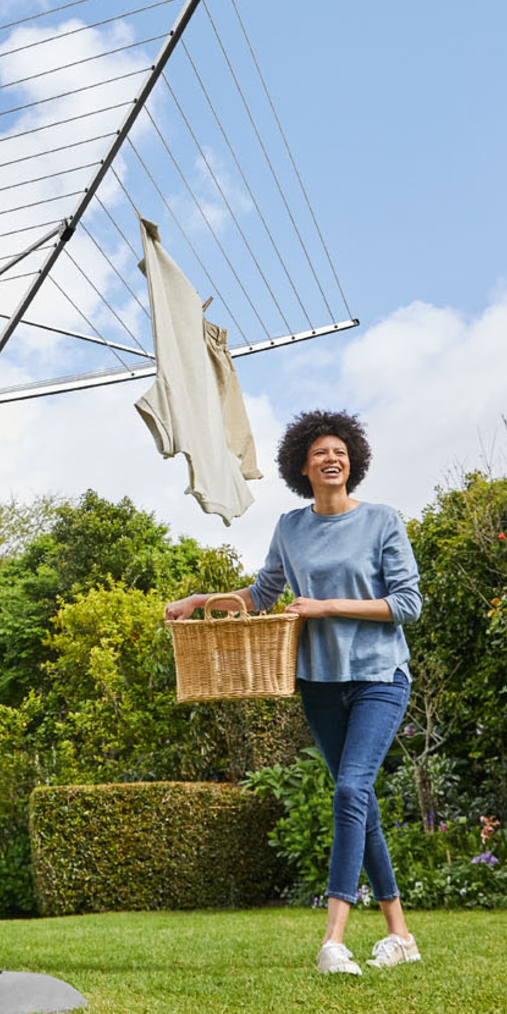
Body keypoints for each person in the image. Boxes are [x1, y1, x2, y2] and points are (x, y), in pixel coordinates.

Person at [165, 409, 422, 975]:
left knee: (351, 789)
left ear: (353, 461)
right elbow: (262, 594)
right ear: (302, 467)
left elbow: (407, 605)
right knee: (360, 800)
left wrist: (327, 605)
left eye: (341, 452)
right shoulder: (291, 527)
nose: (333, 459)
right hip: (319, 683)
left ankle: (333, 939)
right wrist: (200, 601)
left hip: (380, 677)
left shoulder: (382, 521)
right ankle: (400, 935)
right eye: (320, 453)